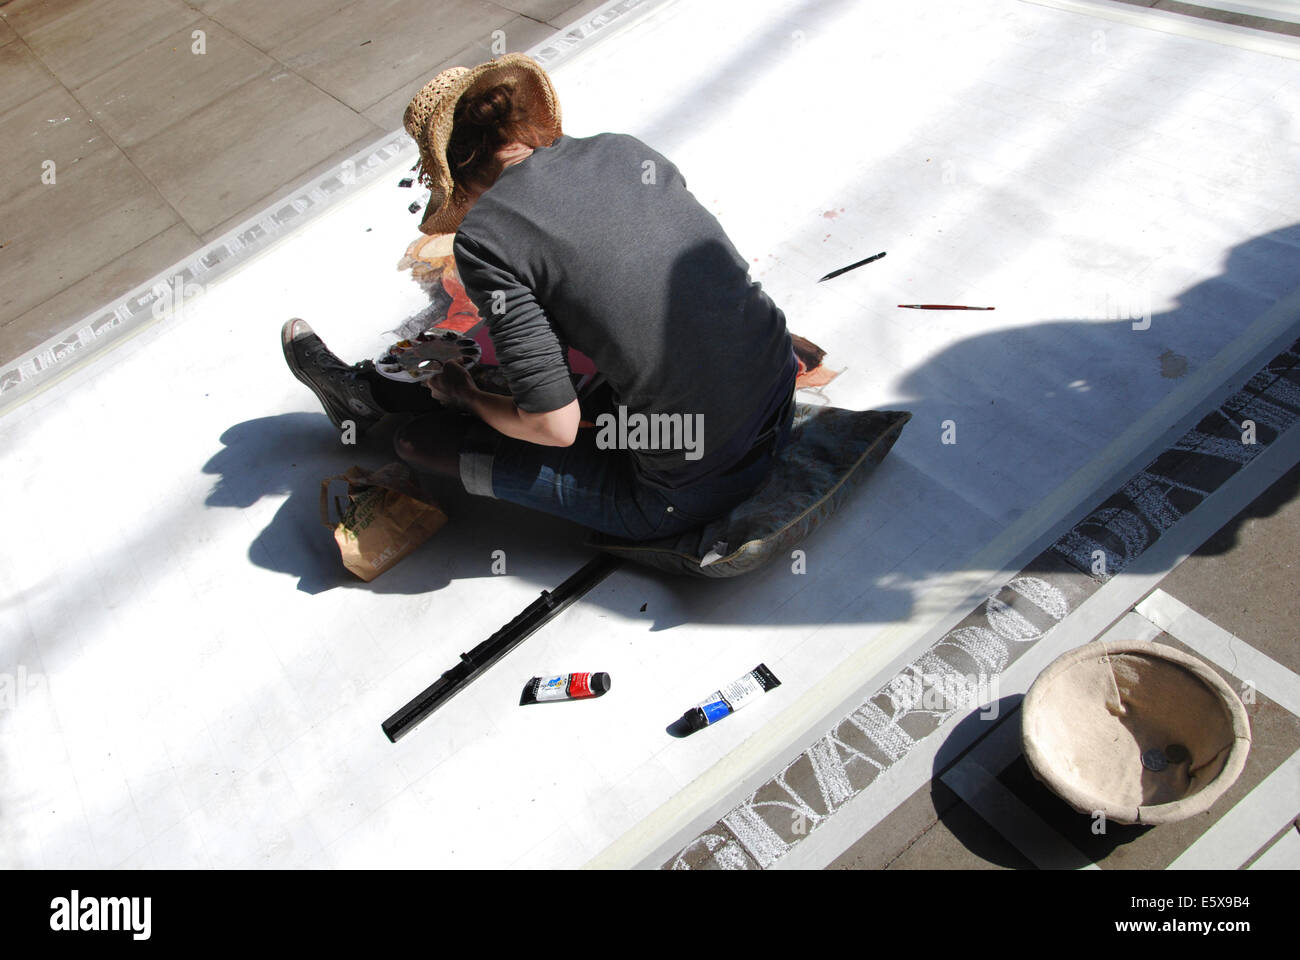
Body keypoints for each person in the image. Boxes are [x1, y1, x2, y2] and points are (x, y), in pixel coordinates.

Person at [283, 54, 796, 542]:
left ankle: (368, 402)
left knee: (419, 441)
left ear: (454, 170)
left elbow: (555, 428)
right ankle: (370, 394)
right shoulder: (623, 149)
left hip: (691, 489)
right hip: (777, 403)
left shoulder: (486, 237)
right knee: (552, 364)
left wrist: (469, 396)